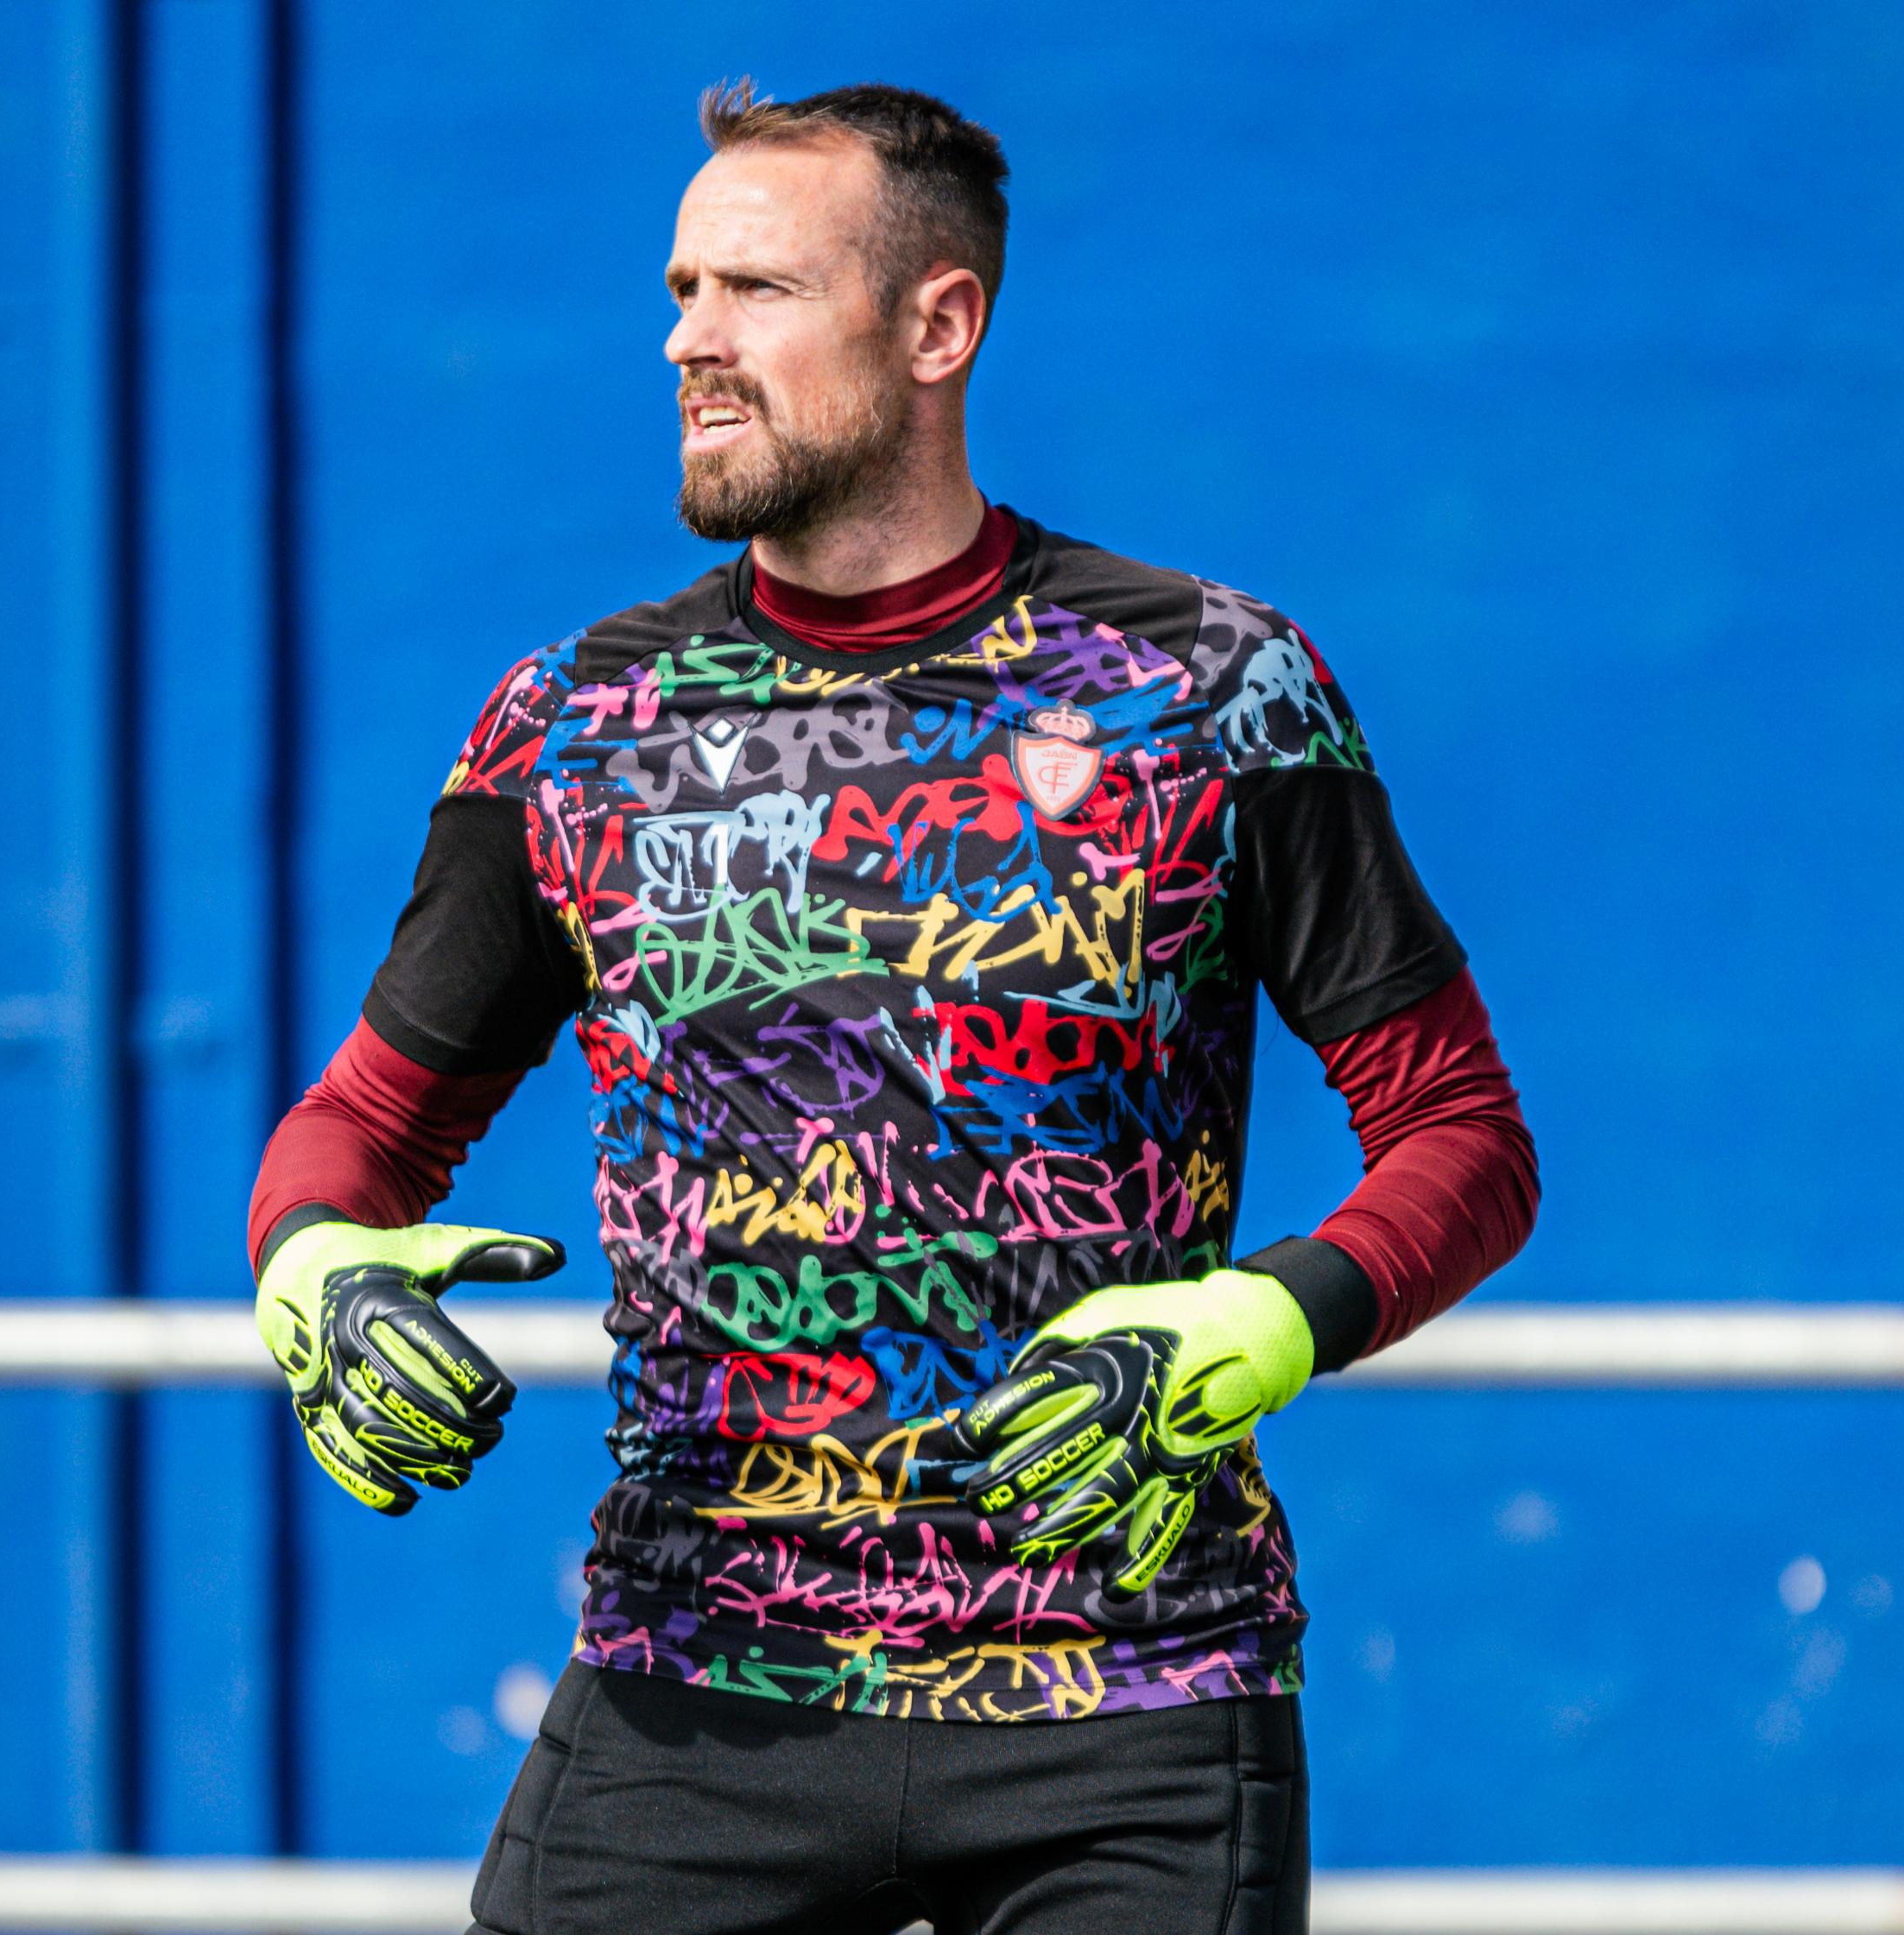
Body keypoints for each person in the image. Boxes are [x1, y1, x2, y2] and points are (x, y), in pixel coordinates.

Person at [246, 79, 1538, 1935]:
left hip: (1131, 1698)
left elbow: (1464, 1136)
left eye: (756, 289)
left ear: (938, 325)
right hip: (694, 1694)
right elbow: (361, 1120)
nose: (692, 339)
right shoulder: (572, 725)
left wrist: (1273, 1313)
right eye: (681, 290)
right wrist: (310, 1258)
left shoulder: (1215, 688)